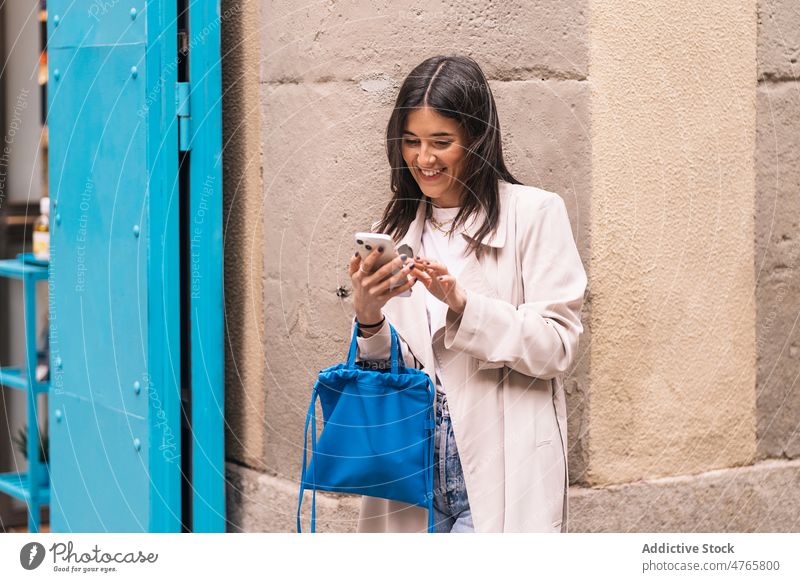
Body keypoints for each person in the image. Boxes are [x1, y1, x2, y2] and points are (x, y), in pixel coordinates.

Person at [347, 55, 587, 533]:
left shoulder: (535, 214)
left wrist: (466, 306)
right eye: (411, 141)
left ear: (477, 141)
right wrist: (368, 317)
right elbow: (385, 372)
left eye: (442, 142)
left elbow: (558, 347)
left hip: (501, 471)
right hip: (411, 474)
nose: (424, 158)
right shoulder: (390, 232)